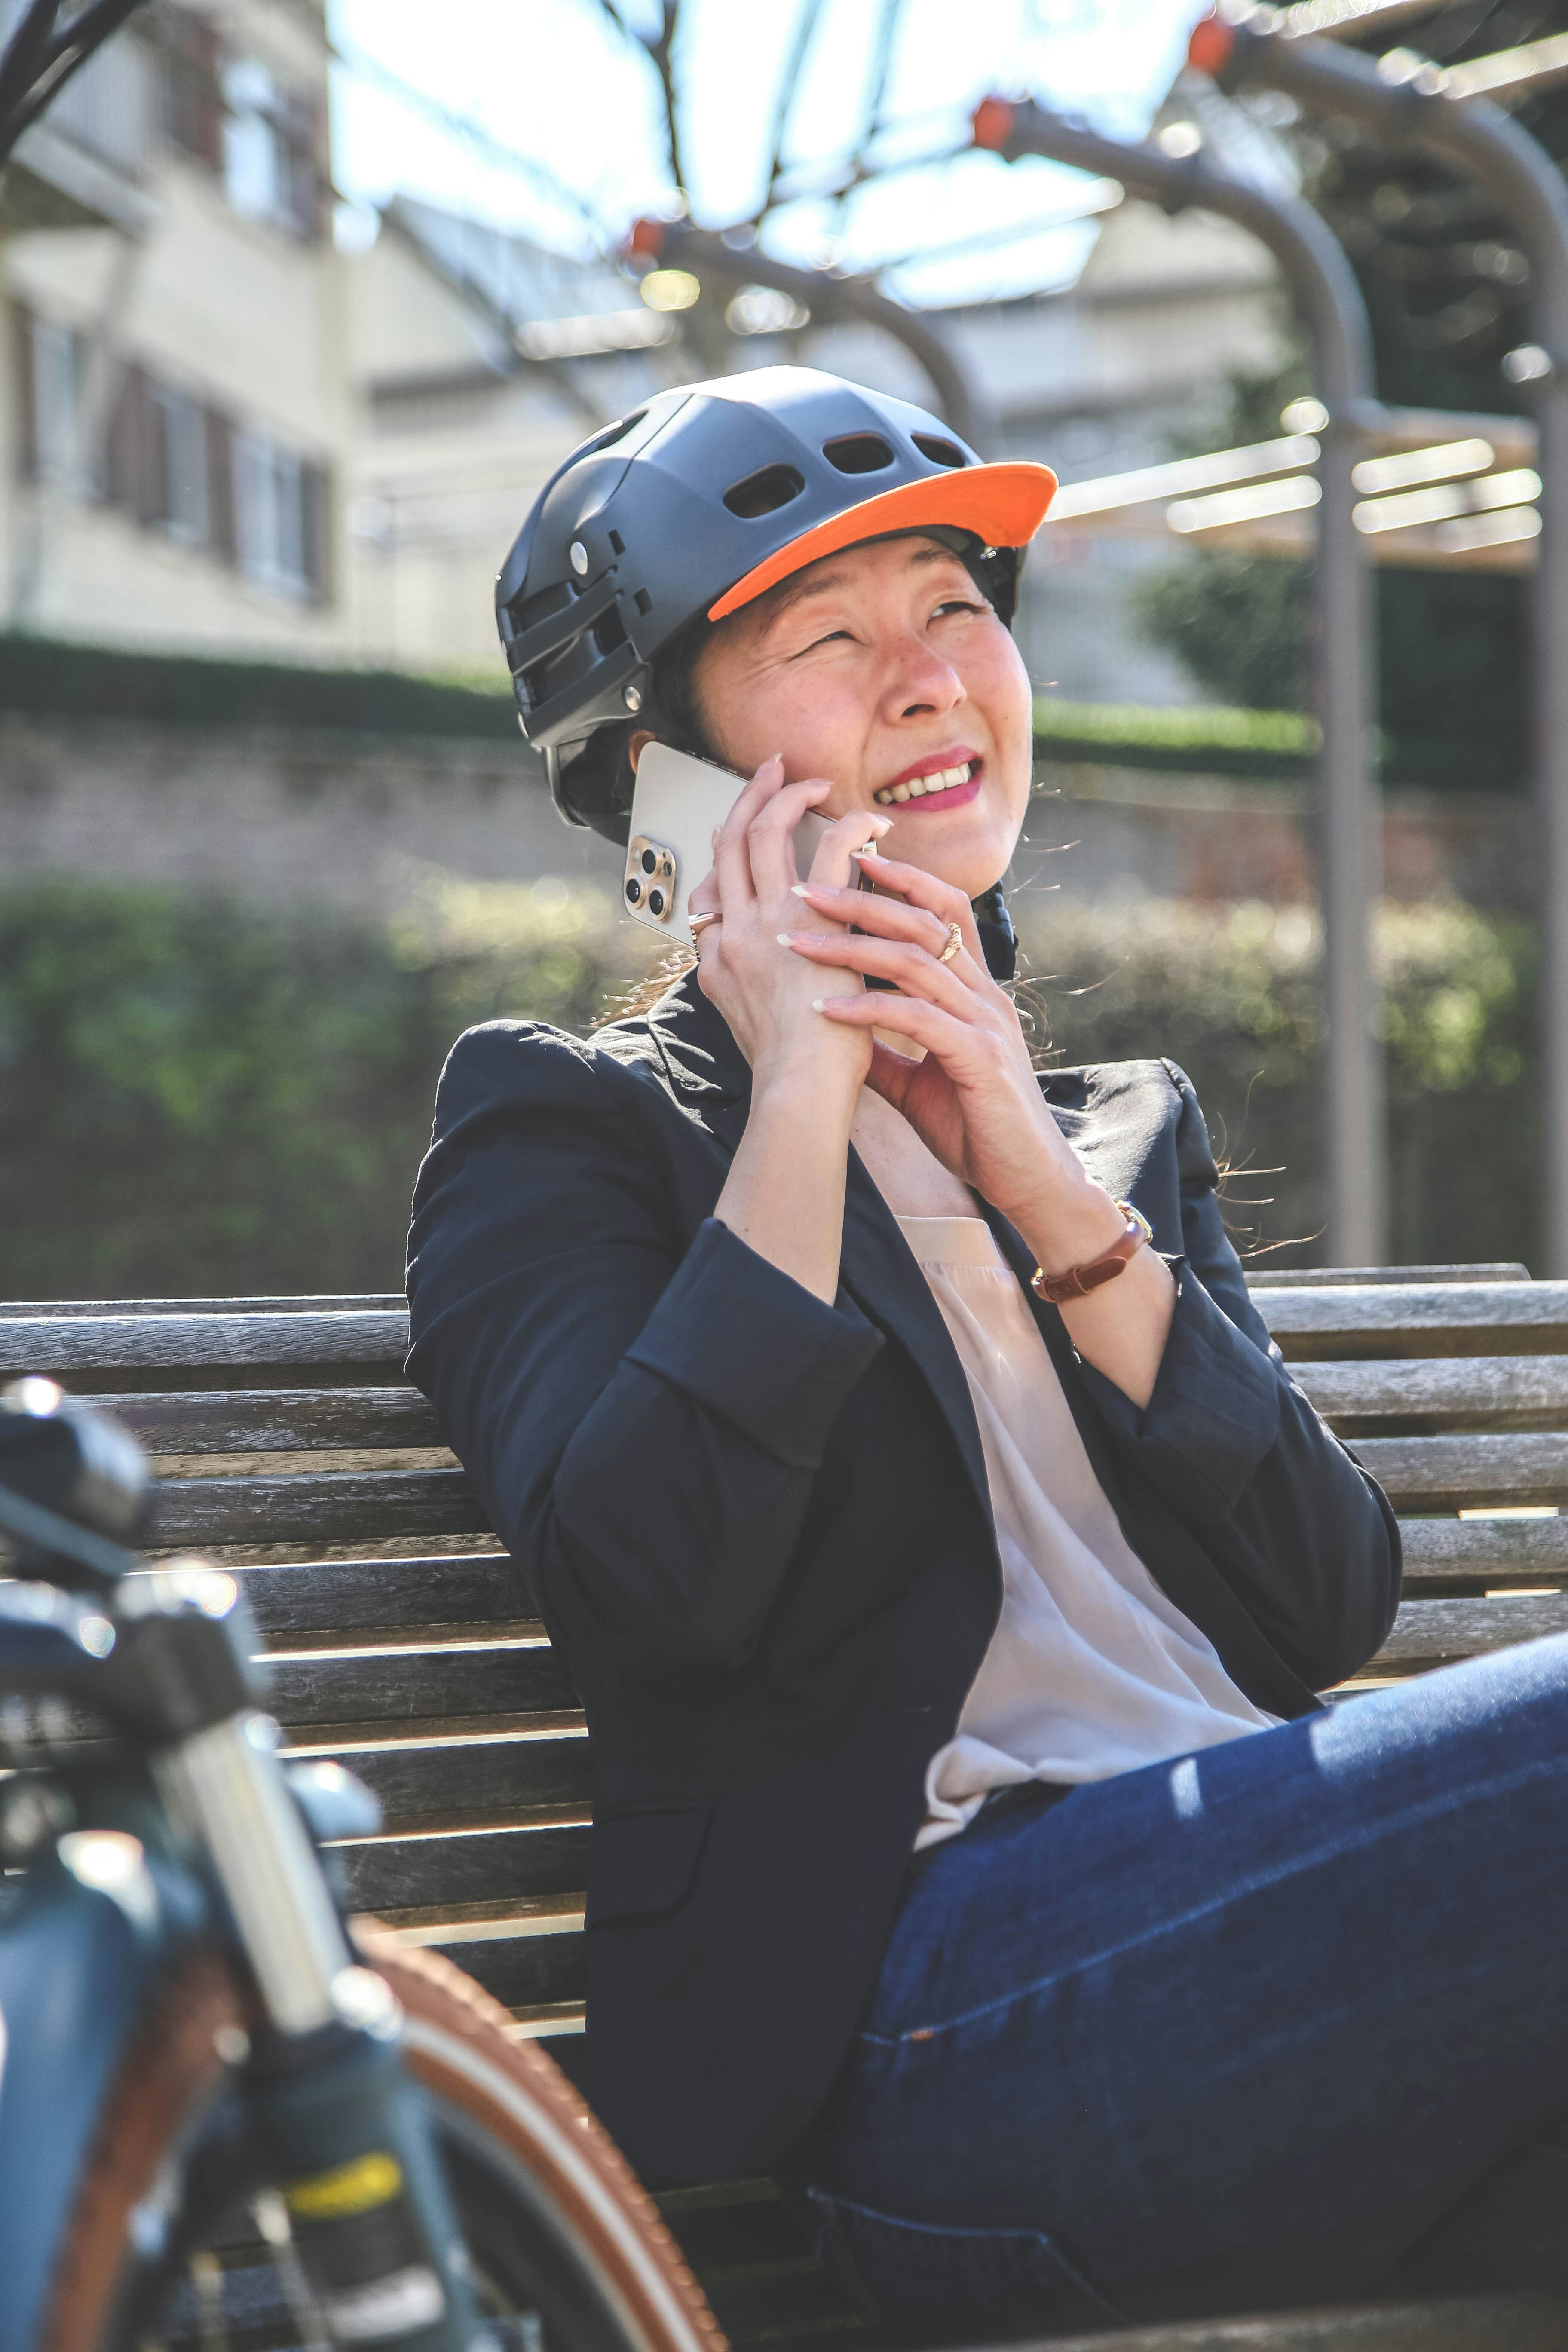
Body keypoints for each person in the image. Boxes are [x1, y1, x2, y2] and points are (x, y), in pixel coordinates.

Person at [407, 368, 1568, 2340]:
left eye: (956, 607)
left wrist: (1034, 1175)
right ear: (665, 781)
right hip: (947, 2042)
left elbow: (1323, 1597)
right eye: (831, 636)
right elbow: (653, 1586)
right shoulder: (563, 1129)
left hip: (1264, 1946)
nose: (935, 673)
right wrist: (798, 1090)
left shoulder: (1116, 1131)